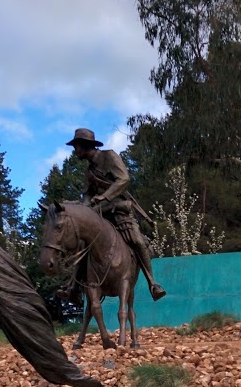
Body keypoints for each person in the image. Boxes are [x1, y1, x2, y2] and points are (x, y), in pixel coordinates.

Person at [66, 128, 166, 301]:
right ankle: (73, 286)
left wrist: (105, 196)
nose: (75, 150)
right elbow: (87, 194)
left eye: (76, 146)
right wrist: (83, 206)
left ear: (85, 145)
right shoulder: (88, 171)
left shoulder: (109, 156)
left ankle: (153, 283)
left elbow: (124, 179)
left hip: (118, 208)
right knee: (83, 243)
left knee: (137, 241)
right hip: (99, 214)